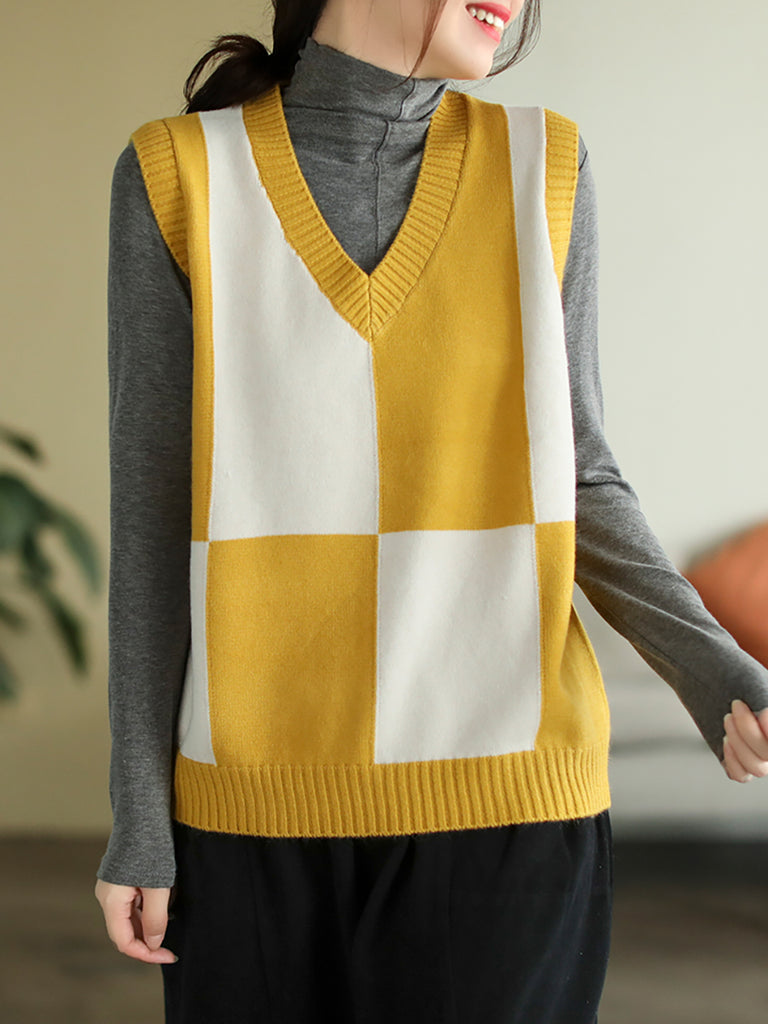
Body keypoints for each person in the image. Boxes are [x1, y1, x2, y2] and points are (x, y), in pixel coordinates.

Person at [94, 1, 768, 1021]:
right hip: (249, 813)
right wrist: (141, 814)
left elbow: (578, 477)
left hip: (511, 804)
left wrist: (715, 669)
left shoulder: (545, 167)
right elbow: (153, 521)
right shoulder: (177, 175)